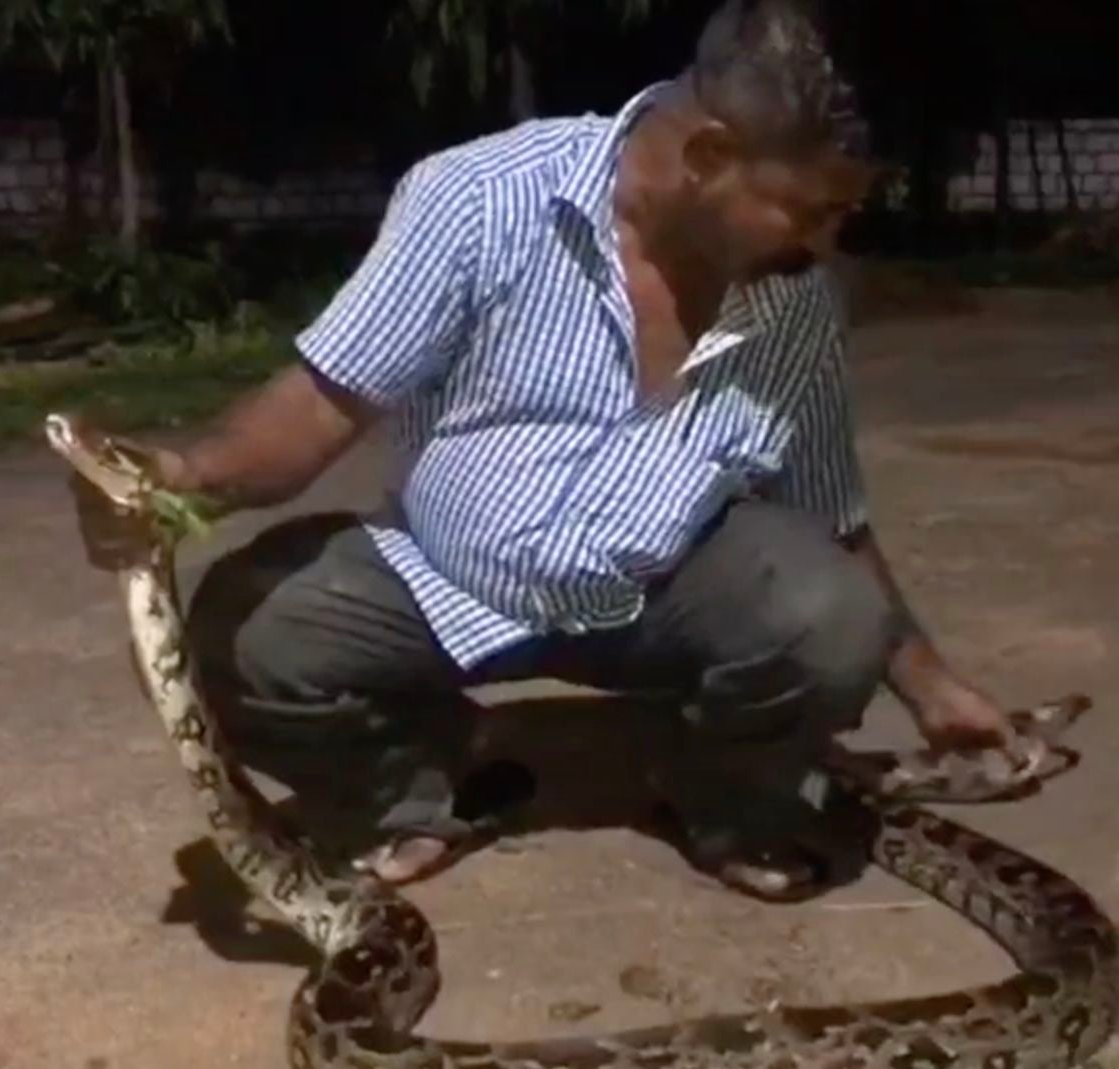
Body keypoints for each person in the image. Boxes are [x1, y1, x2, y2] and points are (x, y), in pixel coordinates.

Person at [72, 0, 1016, 902]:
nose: (829, 238)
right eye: (808, 209)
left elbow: (832, 516)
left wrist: (929, 685)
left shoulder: (797, 295)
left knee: (833, 614)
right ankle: (425, 780)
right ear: (710, 156)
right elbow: (318, 407)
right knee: (243, 634)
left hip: (666, 592)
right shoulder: (480, 198)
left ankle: (724, 800)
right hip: (445, 583)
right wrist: (181, 477)